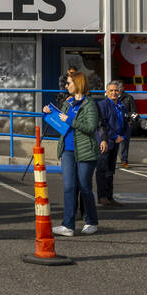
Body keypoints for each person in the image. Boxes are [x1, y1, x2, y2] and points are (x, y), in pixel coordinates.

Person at [43, 71, 100, 236]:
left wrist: (69, 120)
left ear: (78, 83)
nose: (66, 86)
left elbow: (90, 128)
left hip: (85, 152)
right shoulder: (68, 103)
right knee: (69, 187)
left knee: (85, 187)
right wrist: (49, 114)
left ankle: (91, 221)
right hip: (67, 150)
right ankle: (68, 225)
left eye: (69, 83)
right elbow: (60, 123)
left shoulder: (89, 104)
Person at [95, 81, 125, 206]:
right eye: (111, 90)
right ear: (106, 92)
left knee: (111, 170)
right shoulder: (102, 105)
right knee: (102, 169)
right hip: (105, 141)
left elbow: (124, 122)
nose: (114, 93)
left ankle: (109, 196)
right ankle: (102, 196)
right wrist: (114, 136)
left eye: (116, 90)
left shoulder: (121, 106)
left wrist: (123, 136)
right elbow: (102, 124)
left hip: (117, 141)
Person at [115, 85, 137, 167]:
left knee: (125, 144)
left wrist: (130, 124)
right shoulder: (112, 98)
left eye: (120, 87)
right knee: (113, 144)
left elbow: (134, 112)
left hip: (125, 125)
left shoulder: (129, 98)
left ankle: (124, 161)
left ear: (123, 88)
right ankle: (112, 161)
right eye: (118, 87)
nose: (119, 88)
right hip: (115, 125)